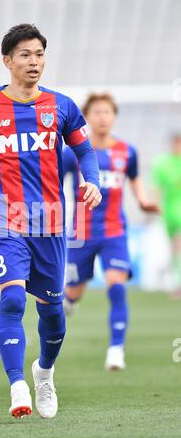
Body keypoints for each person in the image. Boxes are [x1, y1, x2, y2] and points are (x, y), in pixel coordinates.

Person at [0, 24, 101, 419]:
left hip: (50, 223)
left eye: (39, 54)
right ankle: (17, 386)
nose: (34, 62)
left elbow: (85, 150)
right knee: (11, 298)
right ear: (7, 60)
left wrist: (91, 181)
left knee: (53, 314)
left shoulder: (60, 106)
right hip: (3, 218)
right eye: (25, 55)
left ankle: (43, 372)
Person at [63, 93, 160, 370]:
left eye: (107, 112)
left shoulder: (126, 152)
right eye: (97, 112)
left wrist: (143, 201)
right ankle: (70, 301)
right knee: (72, 293)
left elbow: (135, 178)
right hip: (81, 235)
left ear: (114, 116)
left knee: (116, 287)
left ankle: (116, 349)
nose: (103, 117)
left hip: (114, 232)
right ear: (87, 118)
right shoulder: (74, 153)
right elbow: (54, 184)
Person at [151, 135, 181, 299]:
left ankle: (179, 284)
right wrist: (156, 207)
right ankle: (176, 281)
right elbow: (157, 187)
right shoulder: (163, 163)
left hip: (179, 211)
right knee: (174, 249)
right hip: (169, 211)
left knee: (178, 243)